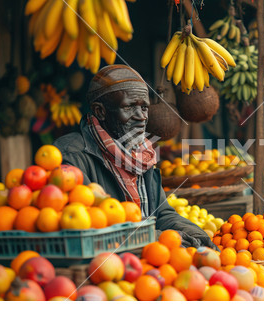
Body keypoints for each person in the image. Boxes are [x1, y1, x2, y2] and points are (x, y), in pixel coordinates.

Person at [53, 65, 216, 249]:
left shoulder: (141, 155)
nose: (141, 117)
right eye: (129, 107)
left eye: (144, 107)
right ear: (100, 111)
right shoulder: (71, 156)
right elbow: (88, 225)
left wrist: (197, 235)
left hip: (148, 263)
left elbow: (162, 214)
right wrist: (156, 237)